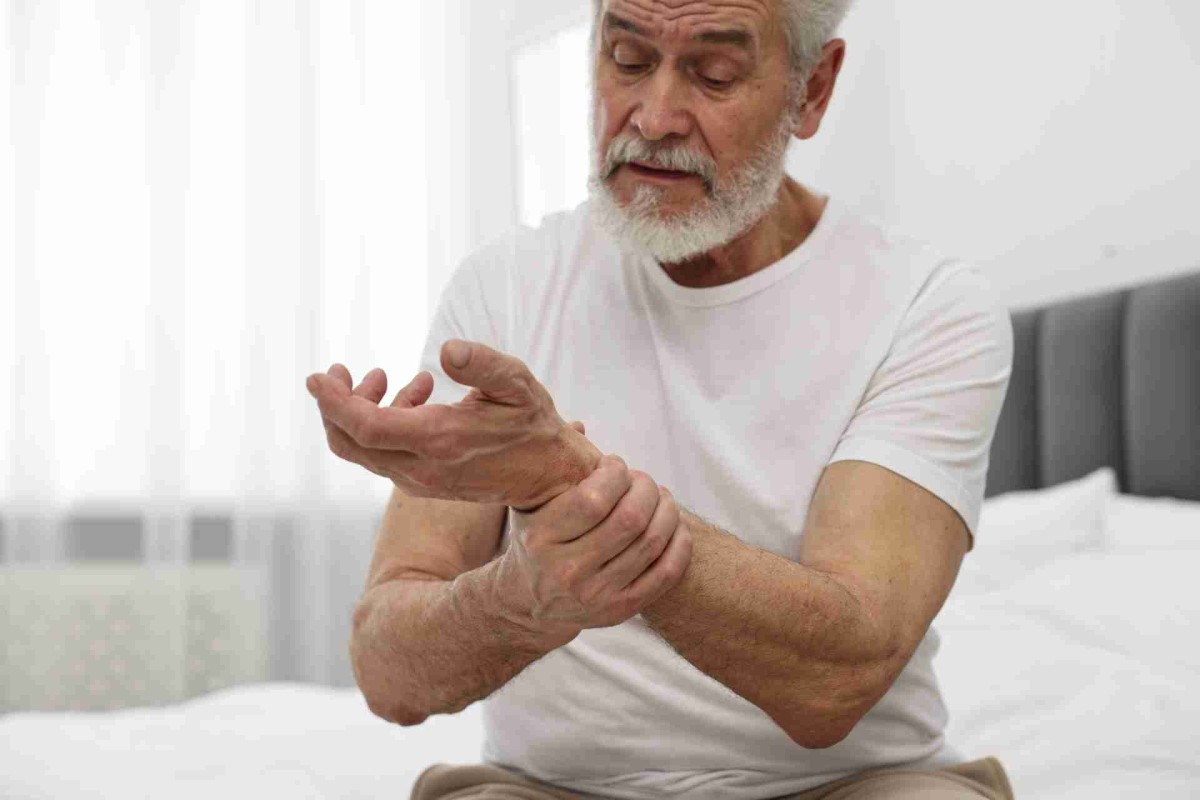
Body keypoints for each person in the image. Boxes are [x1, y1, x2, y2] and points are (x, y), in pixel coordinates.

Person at [305, 0, 1016, 797]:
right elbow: (390, 677)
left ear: (812, 90)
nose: (654, 116)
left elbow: (837, 678)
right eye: (628, 59)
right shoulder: (504, 290)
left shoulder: (926, 306)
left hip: (856, 784)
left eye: (713, 73)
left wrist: (570, 485)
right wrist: (524, 597)